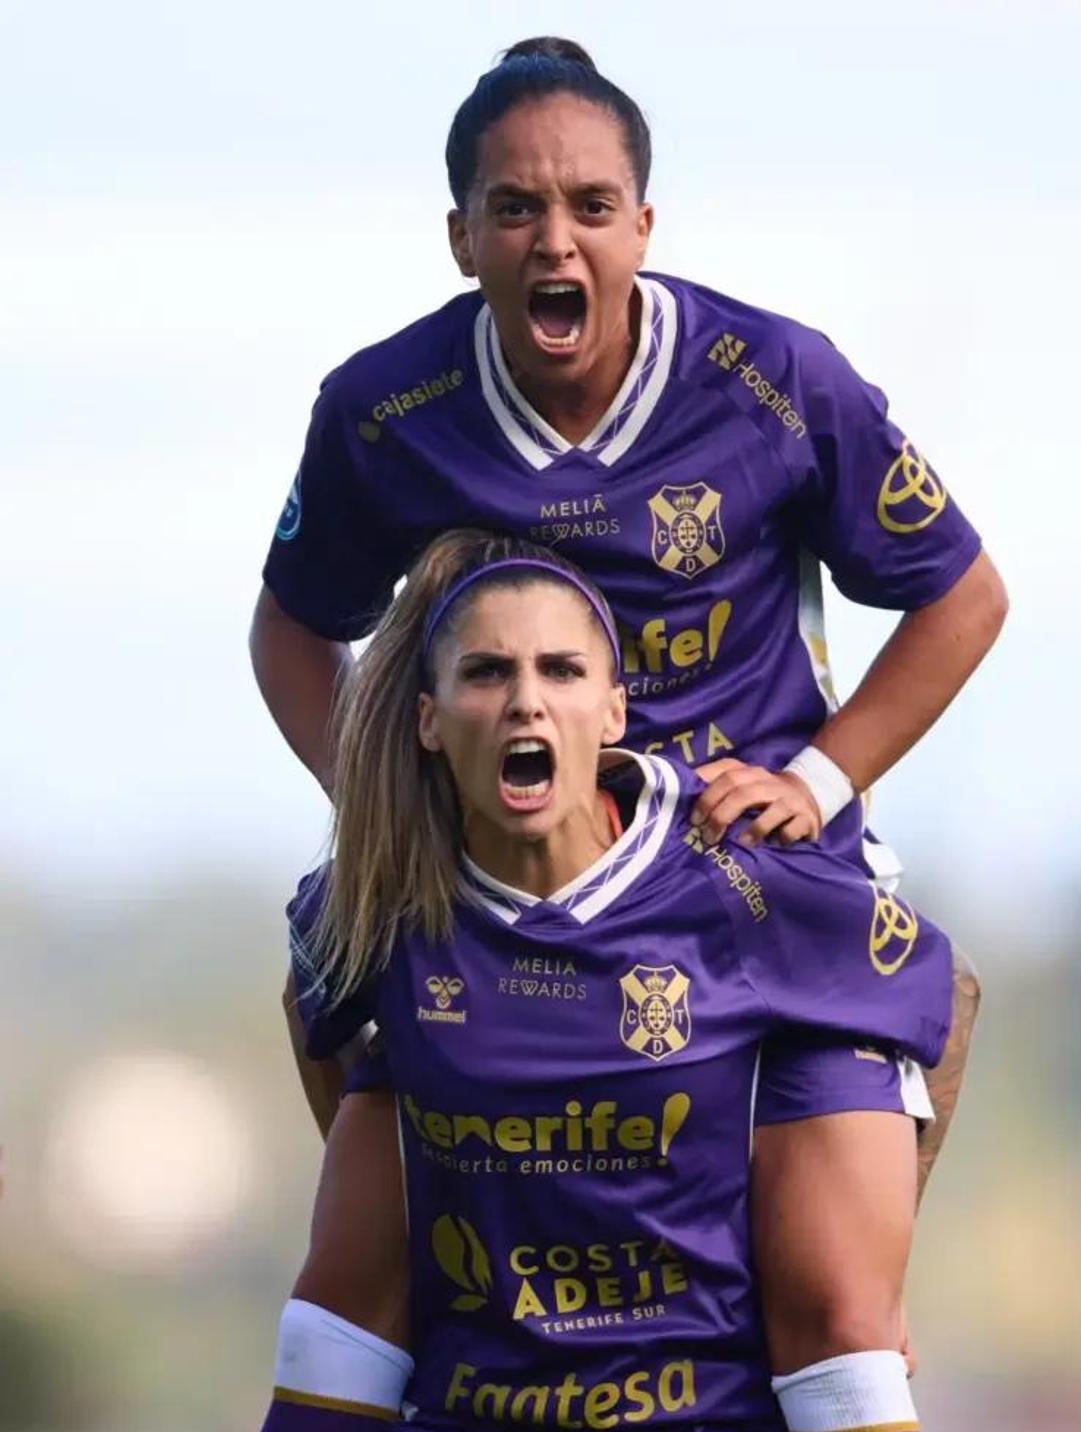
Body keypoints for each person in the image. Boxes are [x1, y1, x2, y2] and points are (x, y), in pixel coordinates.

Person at [250, 36, 1000, 1149]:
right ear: (462, 238)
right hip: (496, 852)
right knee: (323, 991)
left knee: (940, 1008)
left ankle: (847, 1325)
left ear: (643, 226)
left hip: (729, 846)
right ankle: (404, 1308)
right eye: (515, 208)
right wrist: (387, 805)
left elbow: (964, 595)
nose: (557, 239)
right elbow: (293, 630)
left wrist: (820, 779)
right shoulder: (384, 411)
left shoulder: (777, 381)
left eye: (592, 205)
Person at [244, 532, 960, 1432]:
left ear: (613, 709)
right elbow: (313, 1005)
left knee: (847, 1341)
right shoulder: (384, 900)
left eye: (560, 671)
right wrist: (430, 1179)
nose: (525, 701)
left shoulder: (737, 875)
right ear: (429, 719)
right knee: (333, 1300)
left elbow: (944, 995)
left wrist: (880, 1249)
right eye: (488, 672)